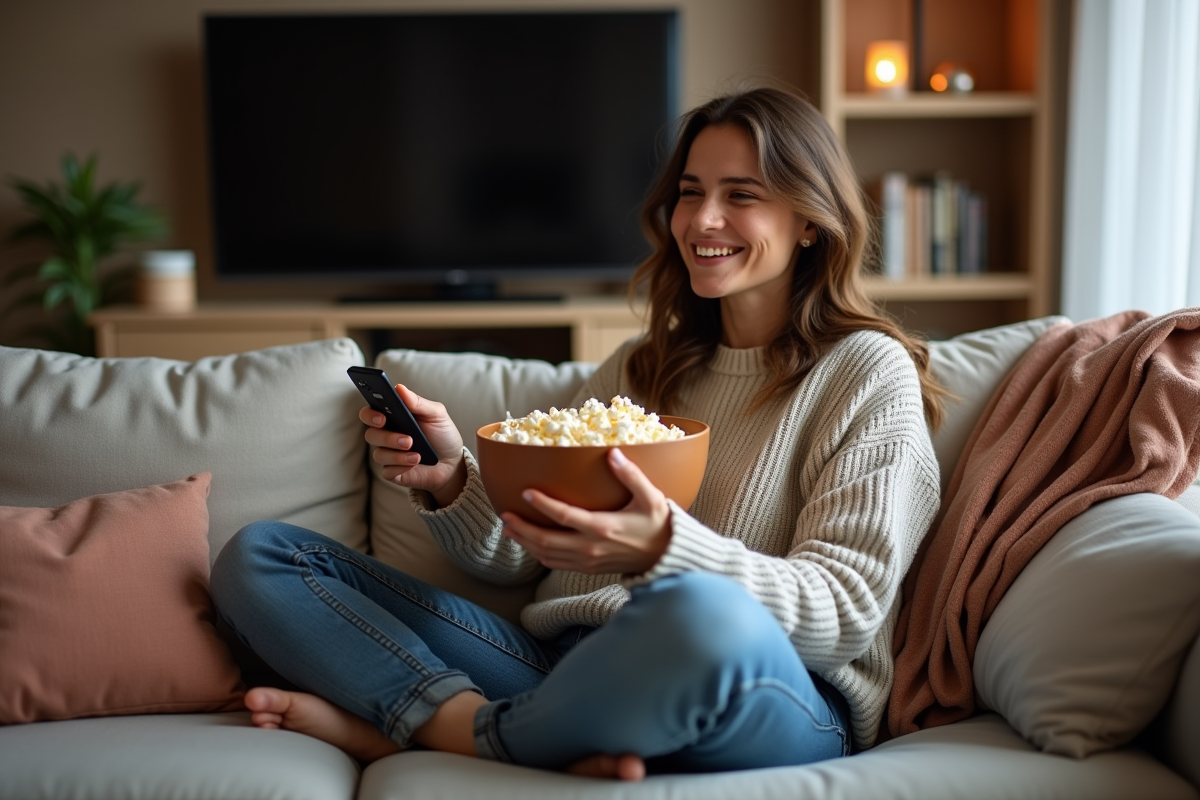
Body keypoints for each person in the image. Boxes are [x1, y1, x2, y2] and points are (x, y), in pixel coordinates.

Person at [210, 85, 944, 781]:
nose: (702, 220)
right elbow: (526, 553)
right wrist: (453, 479)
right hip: (559, 667)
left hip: (768, 688)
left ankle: (445, 729)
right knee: (264, 556)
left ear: (810, 220)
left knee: (699, 611)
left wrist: (663, 549)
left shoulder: (864, 372)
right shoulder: (644, 368)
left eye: (741, 195)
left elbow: (845, 614)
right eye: (690, 192)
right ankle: (516, 728)